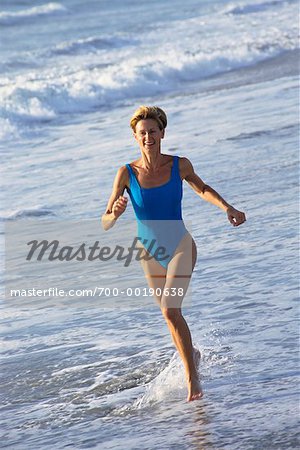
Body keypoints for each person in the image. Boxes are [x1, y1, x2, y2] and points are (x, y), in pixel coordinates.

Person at [101, 106, 246, 401]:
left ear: (162, 133)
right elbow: (104, 221)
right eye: (142, 133)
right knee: (170, 316)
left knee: (170, 309)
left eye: (153, 131)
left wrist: (227, 208)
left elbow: (201, 188)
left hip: (180, 245)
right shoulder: (126, 173)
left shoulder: (179, 165)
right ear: (135, 137)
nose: (148, 137)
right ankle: (192, 354)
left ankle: (193, 380)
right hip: (150, 252)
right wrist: (114, 213)